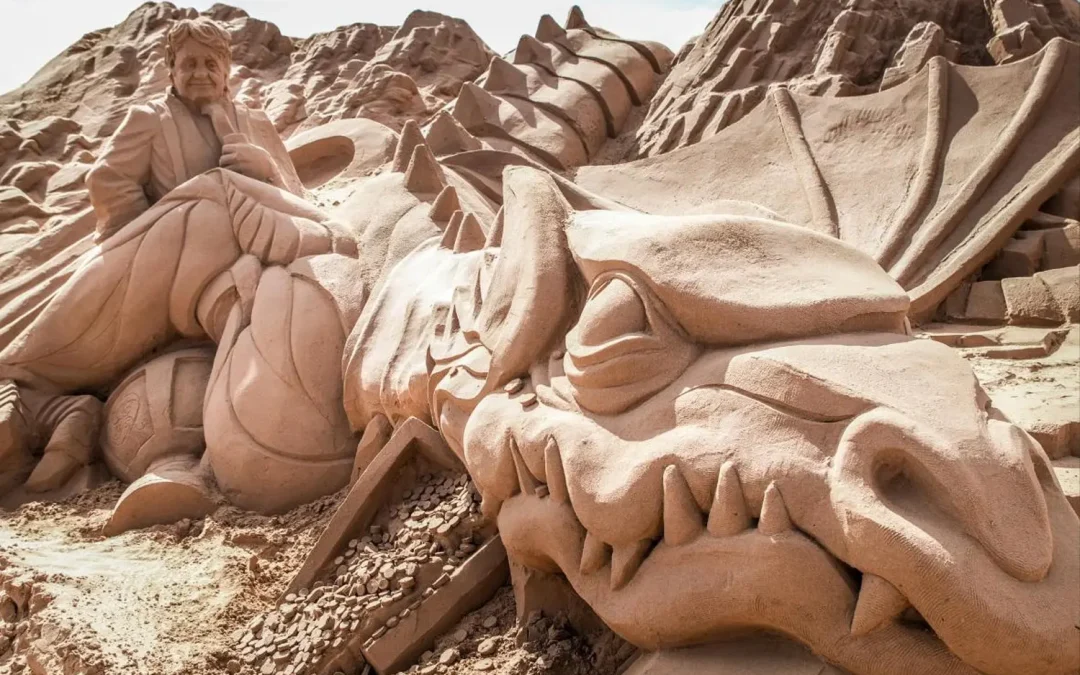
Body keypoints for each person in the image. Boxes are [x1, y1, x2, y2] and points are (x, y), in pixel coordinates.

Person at [86, 17, 303, 240]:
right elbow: (107, 180)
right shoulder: (150, 119)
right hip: (184, 248)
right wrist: (159, 229)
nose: (200, 74)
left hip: (264, 235)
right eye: (189, 64)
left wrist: (268, 169)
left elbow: (299, 199)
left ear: (225, 71)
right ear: (172, 68)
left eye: (211, 65)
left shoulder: (256, 121)